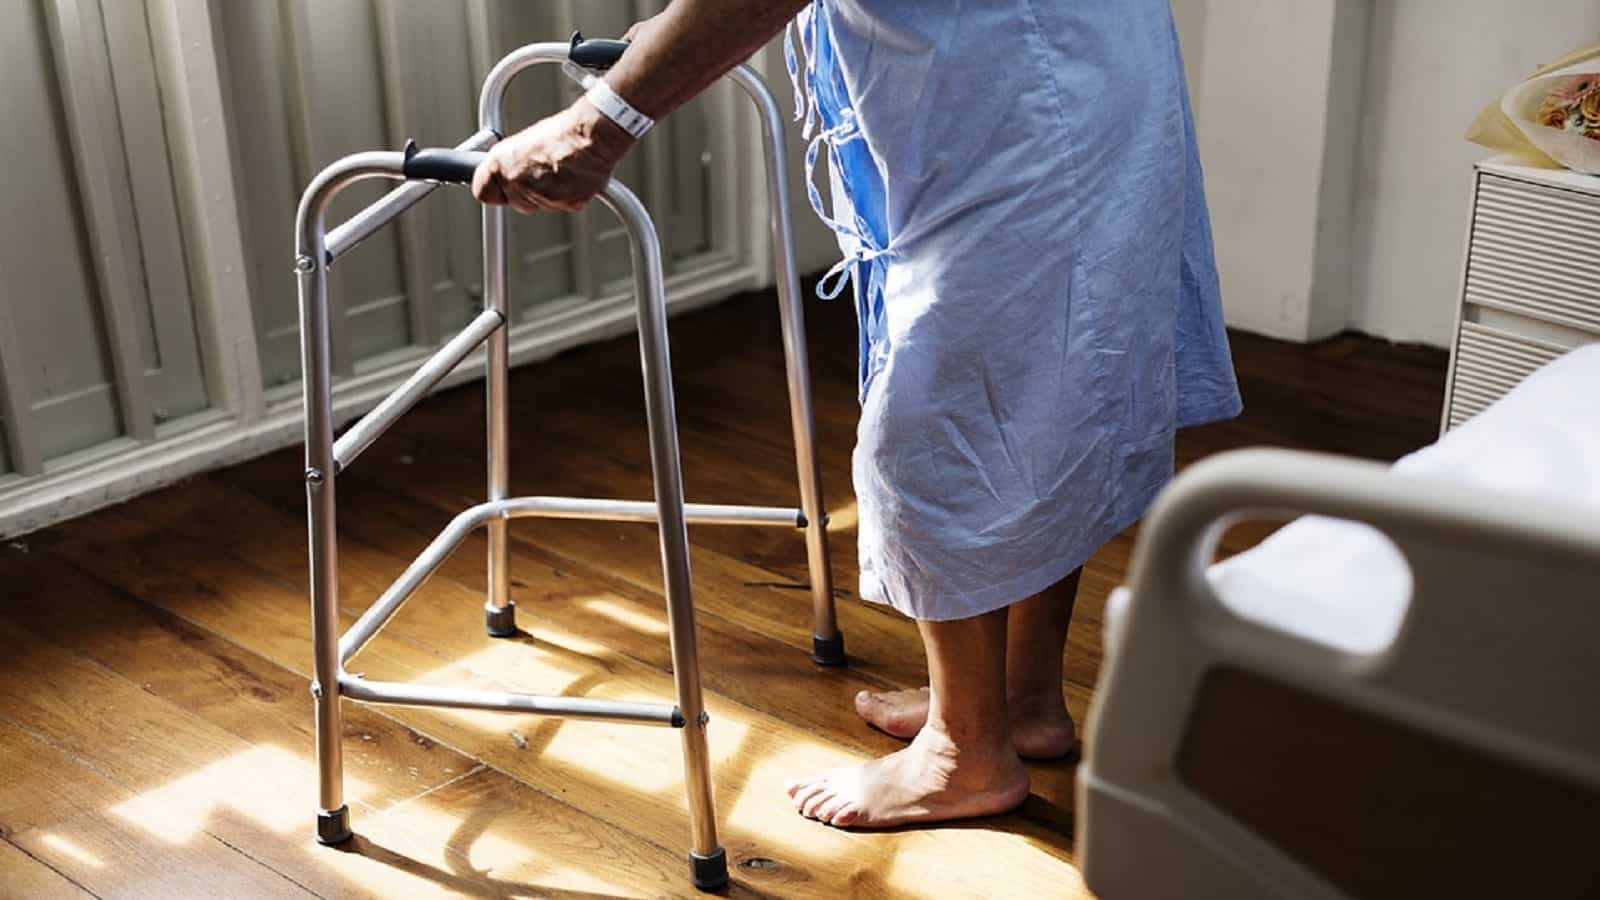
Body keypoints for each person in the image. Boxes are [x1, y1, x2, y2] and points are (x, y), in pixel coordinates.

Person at [473, 0, 1241, 830]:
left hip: (1024, 93)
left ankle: (965, 753)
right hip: (1049, 69)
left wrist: (601, 121)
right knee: (1045, 384)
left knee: (949, 413)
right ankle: (1015, 701)